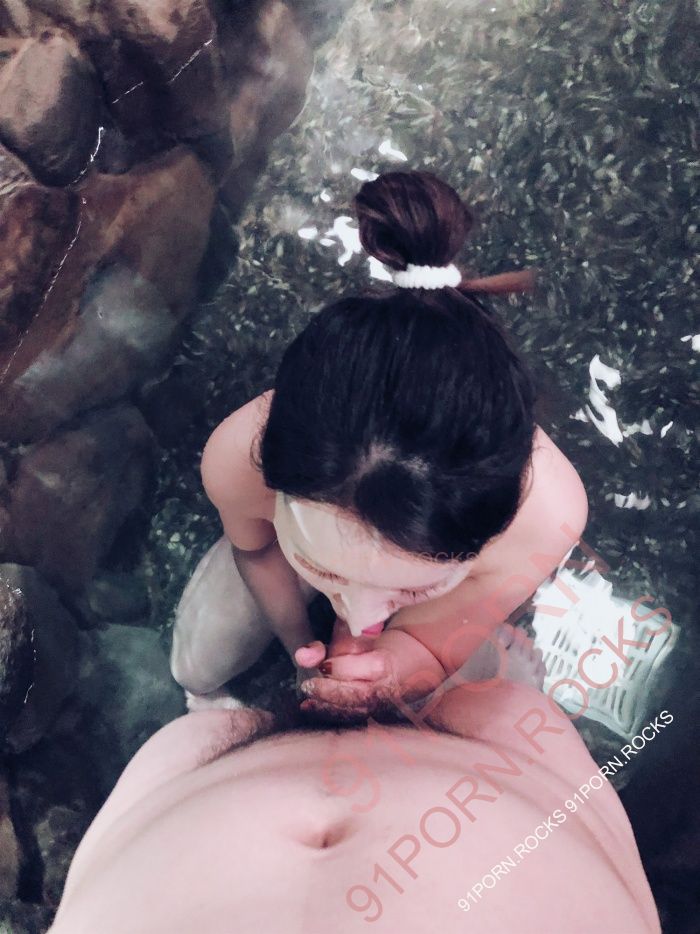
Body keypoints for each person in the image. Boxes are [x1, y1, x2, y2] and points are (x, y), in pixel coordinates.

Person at [169, 169, 589, 717]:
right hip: (314, 544)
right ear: (273, 479)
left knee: (449, 693)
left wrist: (392, 666)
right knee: (196, 669)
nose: (362, 618)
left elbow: (429, 647)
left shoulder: (548, 515)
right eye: (329, 572)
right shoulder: (236, 458)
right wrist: (302, 649)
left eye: (412, 589)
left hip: (433, 562)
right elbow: (258, 548)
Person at [49, 626, 661, 933]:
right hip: (507, 784)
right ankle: (450, 694)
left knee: (198, 730)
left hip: (193, 782)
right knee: (512, 712)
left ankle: (250, 722)